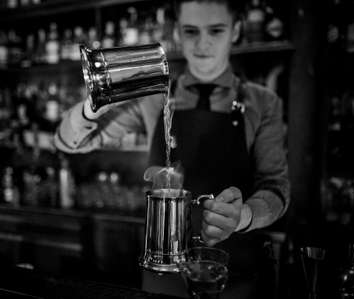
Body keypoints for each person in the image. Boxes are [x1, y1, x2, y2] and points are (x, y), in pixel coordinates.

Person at [55, 0, 290, 298]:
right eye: (191, 31)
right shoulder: (154, 97)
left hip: (233, 276)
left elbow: (277, 189)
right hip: (162, 278)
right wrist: (94, 103)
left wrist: (243, 215)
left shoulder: (263, 102)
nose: (202, 43)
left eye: (215, 31)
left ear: (236, 31)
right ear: (177, 33)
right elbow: (69, 142)